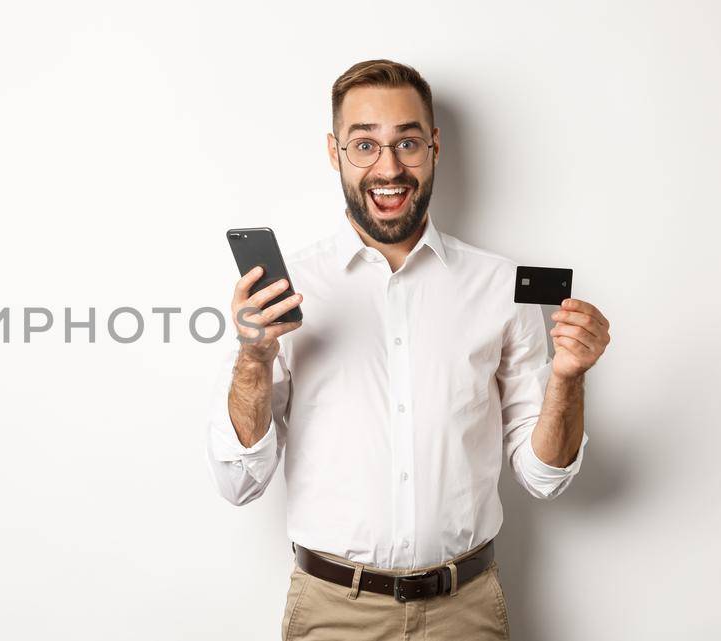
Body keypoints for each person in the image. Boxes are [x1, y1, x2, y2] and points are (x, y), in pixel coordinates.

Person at [205, 59, 612, 640]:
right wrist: (253, 361)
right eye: (364, 144)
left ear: (435, 146)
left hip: (465, 613)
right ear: (334, 151)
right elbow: (238, 483)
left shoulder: (501, 287)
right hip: (332, 614)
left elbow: (544, 477)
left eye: (408, 142)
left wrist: (569, 377)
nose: (389, 168)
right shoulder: (284, 292)